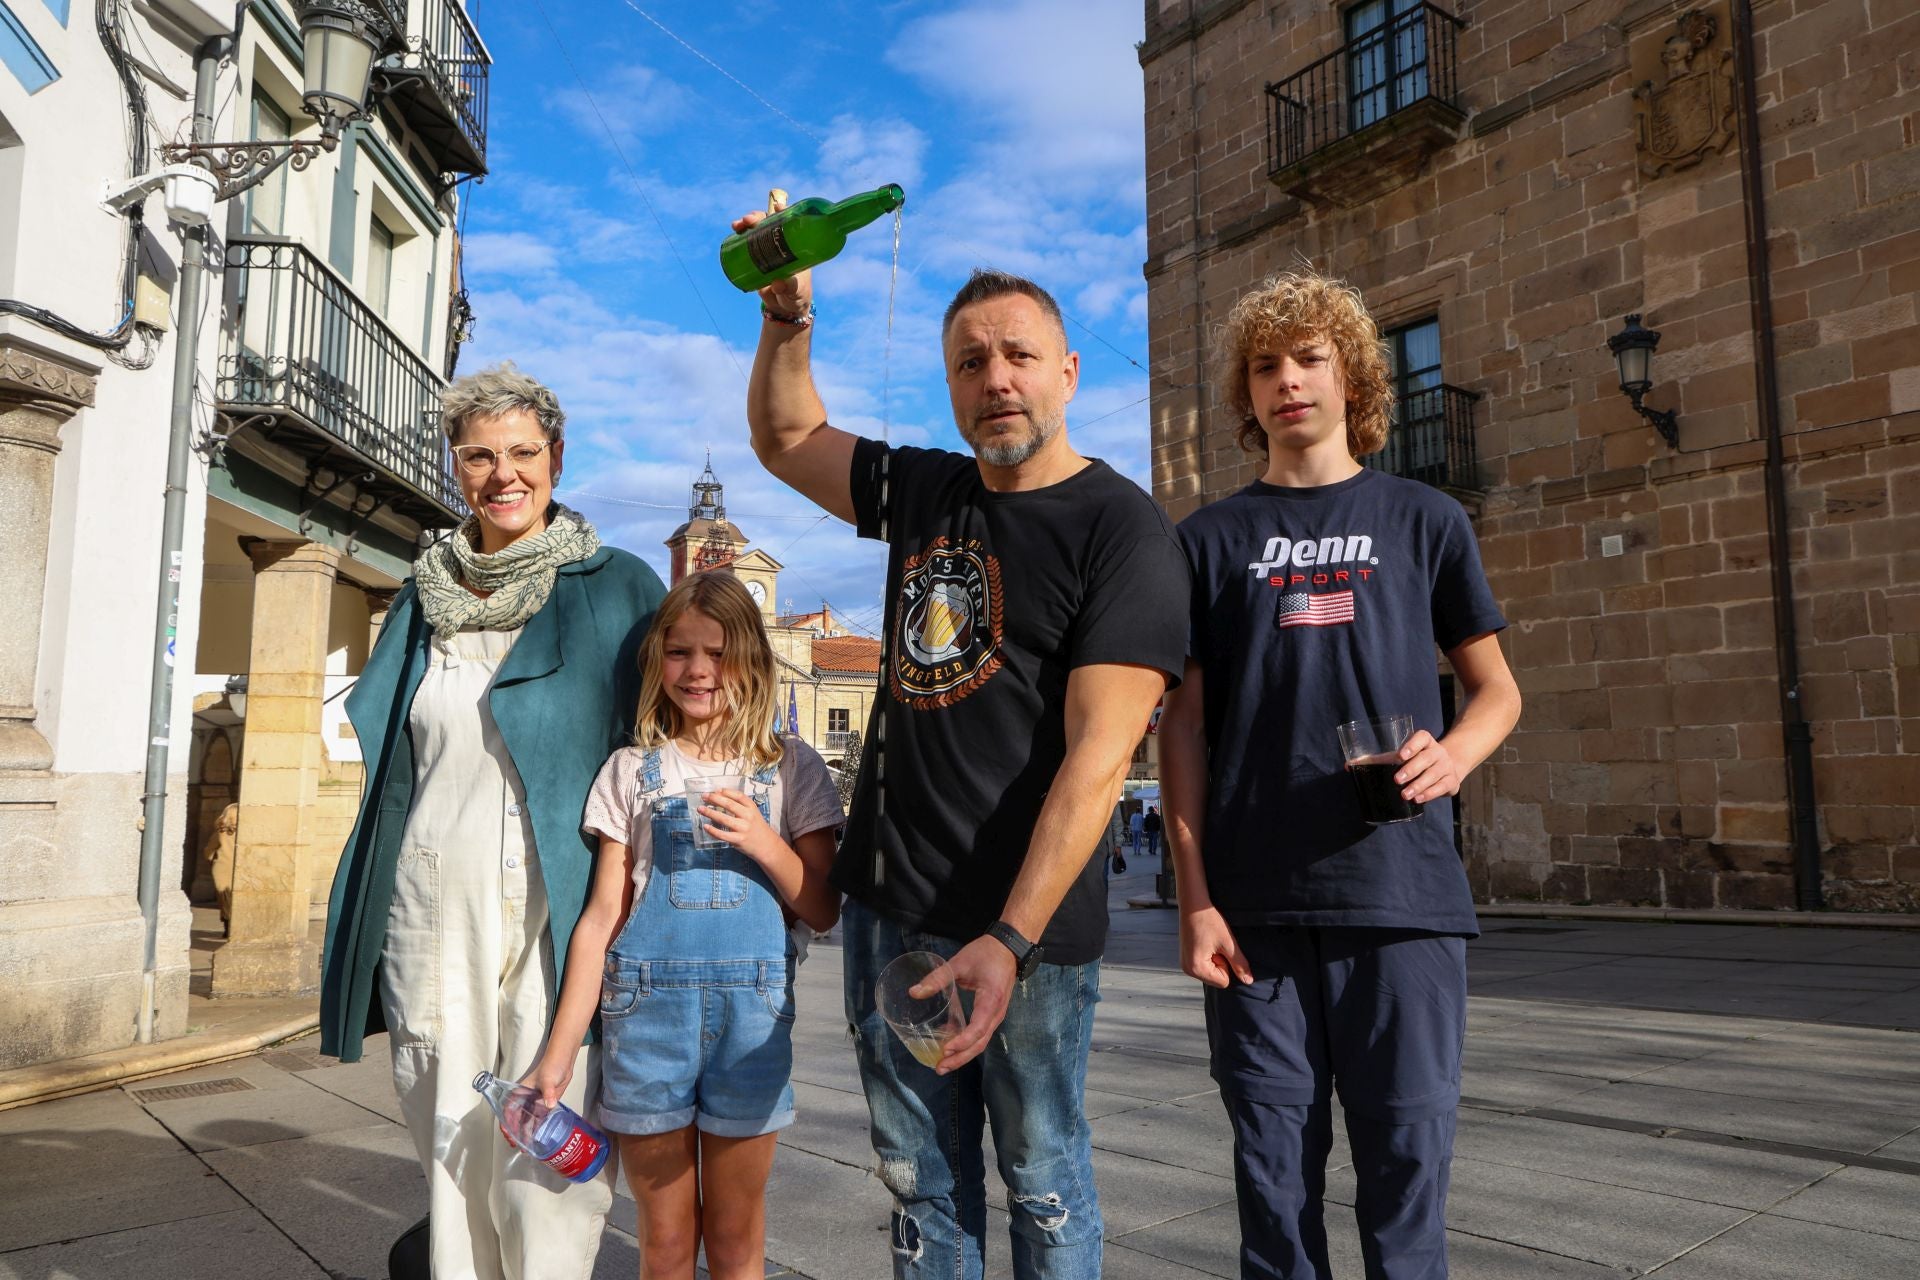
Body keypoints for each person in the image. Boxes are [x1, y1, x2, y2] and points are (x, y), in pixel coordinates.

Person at [732, 198, 1189, 1279]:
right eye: (970, 361)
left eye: (1018, 355)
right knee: (917, 1178)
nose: (996, 379)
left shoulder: (1123, 530)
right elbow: (787, 437)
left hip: (1023, 932)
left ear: (1069, 372)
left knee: (1041, 1175)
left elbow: (1098, 760)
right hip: (896, 909)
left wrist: (1012, 935)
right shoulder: (931, 487)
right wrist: (788, 322)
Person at [1159, 270, 1520, 1279]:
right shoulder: (1207, 541)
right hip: (1253, 907)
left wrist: (1453, 754)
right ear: (1247, 392)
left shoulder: (1425, 520)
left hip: (1404, 896)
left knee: (1408, 1168)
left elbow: (1497, 693)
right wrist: (1194, 897)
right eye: (1266, 365)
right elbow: (1179, 729)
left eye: (1309, 358)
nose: (1287, 380)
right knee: (1272, 1183)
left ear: (1354, 378)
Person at [319, 364, 665, 1280]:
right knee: (450, 1129)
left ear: (557, 457)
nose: (502, 473)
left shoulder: (618, 585)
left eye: (522, 452)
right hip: (433, 895)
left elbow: (663, 741)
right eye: (478, 455)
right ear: (455, 465)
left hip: (568, 898)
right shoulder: (424, 593)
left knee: (556, 1138)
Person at [524, 570, 843, 1280]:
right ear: (657, 661)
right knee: (664, 1244)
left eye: (719, 653)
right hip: (646, 1025)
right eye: (680, 652)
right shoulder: (631, 771)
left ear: (752, 662)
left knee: (734, 1239)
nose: (699, 671)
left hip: (752, 1029)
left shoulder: (791, 770)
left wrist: (765, 841)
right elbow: (602, 918)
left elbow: (823, 909)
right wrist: (559, 1052)